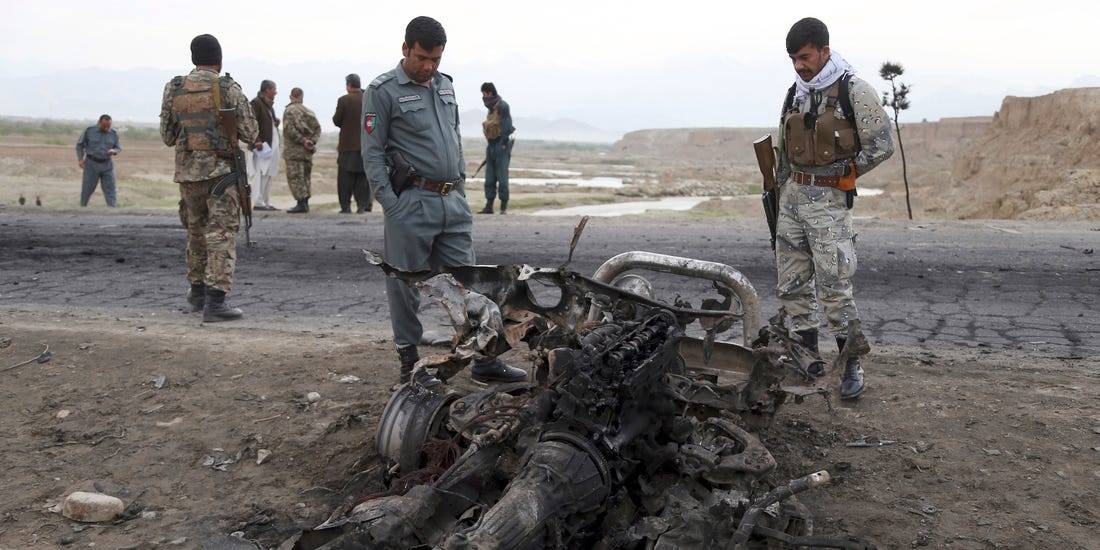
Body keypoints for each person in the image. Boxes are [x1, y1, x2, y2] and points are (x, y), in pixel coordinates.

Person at [362, 16, 527, 385]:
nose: (429, 66)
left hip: (452, 201)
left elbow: (452, 134)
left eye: (436, 59)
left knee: (471, 283)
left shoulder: (445, 85)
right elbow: (372, 154)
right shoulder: (382, 90)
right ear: (405, 49)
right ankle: (411, 366)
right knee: (406, 286)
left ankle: (484, 360)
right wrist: (391, 203)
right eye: (422, 58)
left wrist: (462, 188)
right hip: (411, 203)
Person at [774, 17, 894, 400]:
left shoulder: (854, 90)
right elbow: (783, 150)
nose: (799, 65)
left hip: (828, 203)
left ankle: (850, 363)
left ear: (825, 51)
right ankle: (806, 356)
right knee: (791, 283)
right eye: (793, 58)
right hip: (793, 200)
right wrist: (779, 195)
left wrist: (848, 172)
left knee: (834, 285)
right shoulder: (796, 92)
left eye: (805, 57)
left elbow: (882, 144)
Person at [159, 34, 258, 322]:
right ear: (220, 59)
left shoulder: (174, 88)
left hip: (188, 176)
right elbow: (251, 134)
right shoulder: (228, 88)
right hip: (221, 176)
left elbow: (167, 136)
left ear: (193, 59)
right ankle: (216, 302)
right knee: (221, 234)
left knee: (196, 232)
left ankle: (197, 292)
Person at [333, 73, 372, 213]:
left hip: (347, 146)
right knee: (362, 179)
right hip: (365, 145)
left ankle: (345, 207)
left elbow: (337, 120)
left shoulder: (344, 100)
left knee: (345, 180)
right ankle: (362, 206)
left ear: (348, 85)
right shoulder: (368, 99)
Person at [282, 87, 322, 213]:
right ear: (301, 96)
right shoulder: (309, 112)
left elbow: (290, 130)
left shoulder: (289, 111)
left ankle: (301, 203)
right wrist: (311, 142)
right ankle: (305, 203)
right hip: (307, 152)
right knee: (305, 177)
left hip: (294, 151)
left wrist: (302, 141)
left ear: (291, 96)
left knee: (295, 177)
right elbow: (317, 129)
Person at [477, 82, 514, 214]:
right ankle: (489, 206)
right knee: (490, 178)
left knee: (502, 177)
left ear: (489, 93)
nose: (483, 97)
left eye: (484, 94)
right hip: (491, 145)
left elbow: (507, 125)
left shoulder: (502, 106)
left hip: (501, 145)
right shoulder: (491, 108)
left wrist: (503, 144)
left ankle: (503, 208)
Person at [248, 80, 280, 210]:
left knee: (268, 173)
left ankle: (266, 201)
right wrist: (256, 140)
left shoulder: (268, 106)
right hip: (262, 147)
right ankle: (258, 201)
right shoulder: (256, 103)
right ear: (267, 90)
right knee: (260, 173)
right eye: (274, 89)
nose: (276, 92)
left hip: (270, 146)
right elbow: (251, 123)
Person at [76, 114, 121, 207]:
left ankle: (112, 210)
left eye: (108, 126)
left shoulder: (113, 133)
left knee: (110, 189)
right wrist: (80, 159)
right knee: (87, 188)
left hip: (107, 164)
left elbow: (118, 147)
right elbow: (79, 145)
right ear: (99, 123)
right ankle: (82, 208)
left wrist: (114, 151)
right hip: (91, 164)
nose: (106, 128)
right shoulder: (89, 130)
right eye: (104, 126)